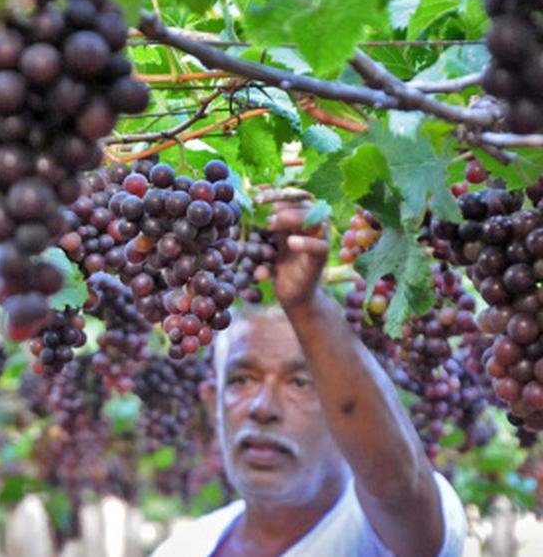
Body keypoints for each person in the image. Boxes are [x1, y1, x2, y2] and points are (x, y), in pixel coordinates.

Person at [152, 203, 468, 557]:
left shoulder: (376, 533)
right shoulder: (183, 548)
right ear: (212, 403)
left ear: (342, 401)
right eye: (242, 380)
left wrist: (305, 305)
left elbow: (397, 487)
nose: (263, 408)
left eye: (300, 383)